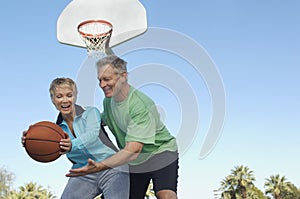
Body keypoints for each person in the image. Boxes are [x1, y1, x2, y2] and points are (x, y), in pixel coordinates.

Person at [67, 55, 179, 199]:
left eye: (107, 79)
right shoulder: (108, 101)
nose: (102, 85)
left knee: (165, 195)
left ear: (123, 76)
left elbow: (133, 150)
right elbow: (98, 123)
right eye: (100, 80)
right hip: (134, 161)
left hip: (160, 153)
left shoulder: (140, 105)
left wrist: (101, 165)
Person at [22, 77, 129, 199]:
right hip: (83, 172)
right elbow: (45, 147)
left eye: (69, 95)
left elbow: (92, 135)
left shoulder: (90, 112)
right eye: (59, 96)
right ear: (53, 100)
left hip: (112, 166)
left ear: (75, 96)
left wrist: (72, 145)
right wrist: (30, 141)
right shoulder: (55, 131)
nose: (65, 100)